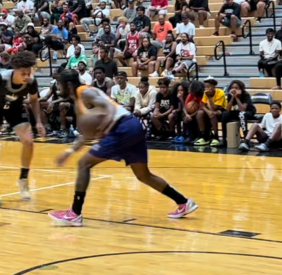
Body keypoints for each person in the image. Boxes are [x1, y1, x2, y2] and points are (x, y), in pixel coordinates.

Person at [48, 69, 197, 226]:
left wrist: (104, 126)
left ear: (69, 84)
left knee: (84, 164)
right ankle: (183, 202)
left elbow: (110, 109)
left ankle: (75, 213)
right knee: (143, 175)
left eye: (60, 84)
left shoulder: (85, 91)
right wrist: (70, 151)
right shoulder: (80, 98)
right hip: (131, 126)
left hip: (121, 128)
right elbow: (86, 134)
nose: (58, 87)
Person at [0, 51, 45, 204]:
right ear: (14, 70)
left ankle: (23, 180)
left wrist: (38, 121)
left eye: (28, 73)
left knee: (29, 142)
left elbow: (34, 100)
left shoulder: (31, 82)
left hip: (15, 109)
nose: (26, 77)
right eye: (23, 73)